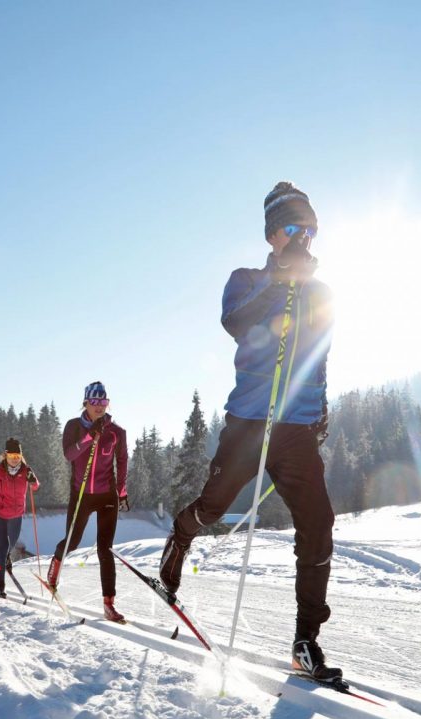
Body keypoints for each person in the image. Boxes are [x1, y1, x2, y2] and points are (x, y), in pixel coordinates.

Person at [157, 181, 340, 680]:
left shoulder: (321, 292)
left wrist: (320, 408)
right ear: (271, 235)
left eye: (310, 229)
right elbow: (236, 323)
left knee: (318, 526)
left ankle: (306, 641)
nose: (302, 237)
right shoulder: (245, 279)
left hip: (296, 428)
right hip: (248, 423)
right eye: (292, 228)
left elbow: (320, 356)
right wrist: (281, 285)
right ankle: (179, 537)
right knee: (214, 507)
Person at [45, 381, 130, 622]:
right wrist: (89, 437)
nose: (100, 407)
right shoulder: (74, 426)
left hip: (106, 496)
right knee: (72, 541)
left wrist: (121, 491)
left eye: (104, 402)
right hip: (81, 494)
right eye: (95, 402)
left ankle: (109, 605)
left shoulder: (116, 432)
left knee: (106, 549)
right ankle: (55, 567)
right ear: (86, 403)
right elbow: (69, 454)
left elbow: (122, 461)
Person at [0, 437, 41, 598]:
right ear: (5, 456)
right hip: (0, 514)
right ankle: (0, 587)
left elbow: (35, 486)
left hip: (17, 514)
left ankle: (6, 559)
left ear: (21, 456)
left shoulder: (26, 471)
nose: (14, 460)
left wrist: (33, 480)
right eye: (11, 457)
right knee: (3, 548)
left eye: (17, 457)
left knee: (10, 546)